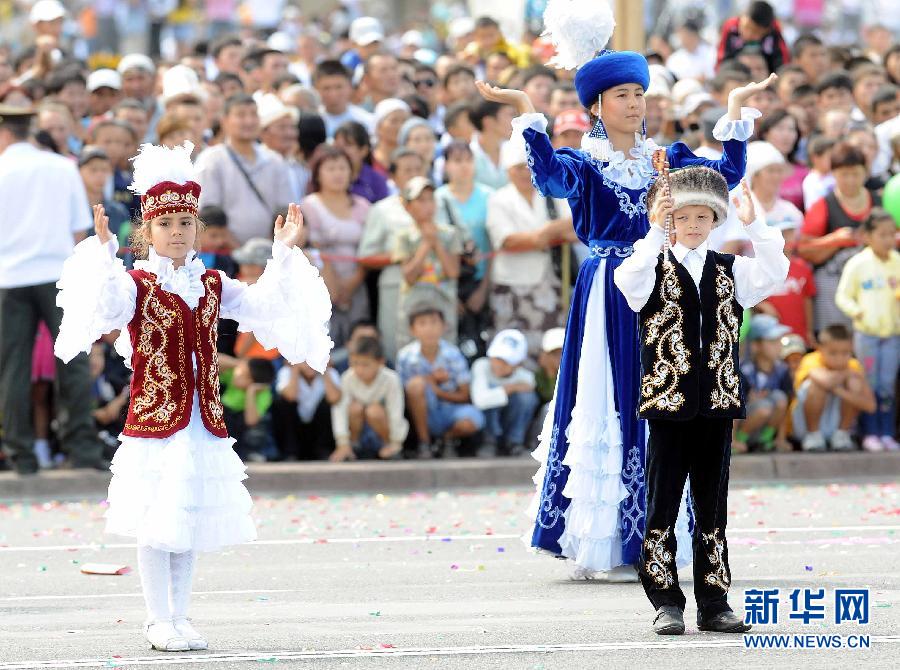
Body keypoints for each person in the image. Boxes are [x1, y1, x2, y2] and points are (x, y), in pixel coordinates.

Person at [477, 0, 770, 579]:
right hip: (609, 285)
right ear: (595, 106)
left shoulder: (668, 157)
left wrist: (734, 113)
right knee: (611, 396)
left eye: (640, 93)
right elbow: (551, 178)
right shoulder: (582, 163)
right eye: (622, 95)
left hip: (664, 283)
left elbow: (723, 180)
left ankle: (658, 532)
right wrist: (525, 110)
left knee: (667, 397)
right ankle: (609, 533)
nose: (636, 104)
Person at [53, 142, 332, 652]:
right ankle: (157, 617)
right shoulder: (136, 284)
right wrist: (103, 256)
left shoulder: (211, 283)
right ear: (148, 231)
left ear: (197, 230)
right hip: (155, 421)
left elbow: (265, 305)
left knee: (187, 518)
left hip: (201, 419)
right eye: (166, 225)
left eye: (186, 223)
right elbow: (108, 307)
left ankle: (180, 615)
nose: (177, 233)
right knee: (157, 522)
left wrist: (284, 252)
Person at [614, 169, 788, 635]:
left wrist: (756, 228)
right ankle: (665, 601)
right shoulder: (649, 268)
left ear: (715, 220)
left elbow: (776, 271)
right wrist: (653, 229)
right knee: (663, 505)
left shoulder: (731, 271)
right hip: (668, 406)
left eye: (702, 216)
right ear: (669, 221)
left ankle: (714, 601)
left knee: (712, 507)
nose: (692, 225)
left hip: (716, 404)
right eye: (682, 216)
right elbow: (625, 280)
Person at [0, 105, 104, 475]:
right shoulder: (62, 168)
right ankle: (83, 447)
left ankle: (21, 454)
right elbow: (80, 232)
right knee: (73, 361)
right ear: (29, 129)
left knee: (13, 367)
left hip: (9, 278)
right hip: (59, 274)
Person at [485, 135, 571, 357]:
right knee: (512, 346)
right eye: (519, 167)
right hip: (511, 284)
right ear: (508, 171)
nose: (525, 172)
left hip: (549, 280)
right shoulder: (500, 199)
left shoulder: (550, 195)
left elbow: (573, 228)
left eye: (529, 166)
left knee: (552, 345)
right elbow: (507, 240)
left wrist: (542, 235)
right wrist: (545, 234)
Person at [834, 209, 900, 452]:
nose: (888, 240)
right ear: (868, 236)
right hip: (867, 334)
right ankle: (869, 433)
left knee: (887, 384)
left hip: (892, 335)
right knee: (868, 384)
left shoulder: (897, 261)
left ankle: (887, 433)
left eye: (892, 234)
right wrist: (856, 311)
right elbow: (843, 295)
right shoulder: (858, 264)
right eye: (882, 235)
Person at [799, 143, 880, 332]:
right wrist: (835, 241)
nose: (851, 180)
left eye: (856, 174)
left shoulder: (879, 201)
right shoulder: (823, 206)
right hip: (834, 291)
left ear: (865, 172)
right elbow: (804, 249)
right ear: (834, 173)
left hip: (874, 287)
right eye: (844, 174)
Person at [357, 148, 428, 362]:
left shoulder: (439, 202)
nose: (414, 174)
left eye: (418, 169)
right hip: (396, 286)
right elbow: (366, 256)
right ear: (393, 177)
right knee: (395, 347)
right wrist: (402, 255)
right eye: (407, 171)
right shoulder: (382, 210)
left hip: (433, 284)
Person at [194, 94, 294, 243]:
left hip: (270, 250)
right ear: (225, 121)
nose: (249, 121)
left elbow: (285, 209)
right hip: (226, 252)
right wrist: (237, 251)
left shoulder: (274, 160)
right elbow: (209, 214)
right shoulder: (212, 159)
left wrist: (272, 249)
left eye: (253, 114)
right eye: (241, 115)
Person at [397, 304, 484, 459]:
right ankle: (424, 443)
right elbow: (404, 393)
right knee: (416, 385)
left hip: (451, 410)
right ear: (412, 329)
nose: (429, 328)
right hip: (422, 414)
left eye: (434, 322)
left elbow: (465, 395)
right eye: (422, 323)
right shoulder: (405, 357)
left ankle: (447, 439)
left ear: (444, 326)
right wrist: (429, 380)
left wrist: (438, 392)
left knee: (472, 421)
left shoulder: (453, 354)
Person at [393, 176, 463, 350]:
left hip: (443, 303)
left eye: (431, 199)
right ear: (408, 207)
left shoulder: (450, 234)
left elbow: (453, 272)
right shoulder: (404, 236)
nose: (428, 205)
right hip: (414, 304)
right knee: (411, 349)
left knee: (445, 348)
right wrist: (425, 244)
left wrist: (436, 242)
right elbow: (409, 276)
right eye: (420, 200)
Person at [790, 324, 876, 451]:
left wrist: (839, 390)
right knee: (817, 385)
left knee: (854, 383)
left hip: (834, 425)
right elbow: (826, 382)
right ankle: (813, 435)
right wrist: (846, 374)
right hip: (804, 426)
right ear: (819, 349)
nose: (839, 359)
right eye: (833, 353)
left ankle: (842, 434)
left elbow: (870, 406)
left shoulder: (853, 365)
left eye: (845, 353)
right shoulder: (811, 360)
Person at [330, 336, 408, 461]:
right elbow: (340, 410)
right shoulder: (347, 378)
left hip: (383, 430)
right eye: (355, 363)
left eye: (365, 364)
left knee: (374, 411)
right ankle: (353, 447)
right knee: (354, 408)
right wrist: (342, 442)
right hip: (358, 431)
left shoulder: (391, 379)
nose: (359, 369)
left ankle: (389, 447)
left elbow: (396, 411)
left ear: (380, 362)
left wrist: (396, 442)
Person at [470, 329, 539, 457]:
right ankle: (489, 441)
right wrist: (509, 389)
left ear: (518, 364)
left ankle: (514, 442)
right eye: (497, 358)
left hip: (507, 421)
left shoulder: (526, 377)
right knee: (491, 397)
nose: (499, 365)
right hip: (484, 427)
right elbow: (480, 400)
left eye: (506, 361)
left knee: (527, 398)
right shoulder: (481, 366)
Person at [736, 315, 794, 453]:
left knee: (781, 398)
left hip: (765, 425)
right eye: (772, 341)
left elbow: (786, 406)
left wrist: (781, 438)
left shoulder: (782, 370)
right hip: (745, 423)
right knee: (764, 408)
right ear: (756, 345)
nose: (779, 345)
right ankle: (738, 440)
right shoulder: (744, 370)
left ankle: (766, 440)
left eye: (779, 340)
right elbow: (734, 409)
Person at [273, 360, 342, 461]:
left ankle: (323, 450)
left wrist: (325, 371)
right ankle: (290, 452)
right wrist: (295, 370)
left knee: (329, 404)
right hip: (296, 428)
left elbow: (334, 398)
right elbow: (290, 396)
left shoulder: (331, 372)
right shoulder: (287, 372)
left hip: (319, 430)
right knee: (282, 402)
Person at [716, 0, 790, 75]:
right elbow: (722, 60)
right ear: (742, 16)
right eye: (746, 27)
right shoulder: (730, 27)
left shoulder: (774, 31)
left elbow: (783, 62)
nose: (748, 34)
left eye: (756, 31)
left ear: (766, 30)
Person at [334, 120, 390, 204]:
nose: (341, 150)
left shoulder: (377, 181)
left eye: (348, 145)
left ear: (364, 150)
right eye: (337, 146)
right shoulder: (325, 176)